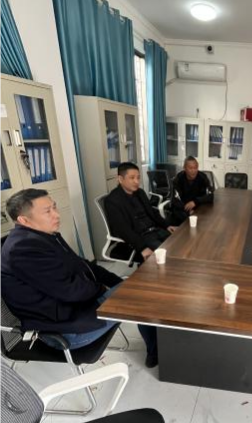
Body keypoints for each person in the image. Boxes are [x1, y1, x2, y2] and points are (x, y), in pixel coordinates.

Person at [0, 189, 159, 368]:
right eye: (47, 211)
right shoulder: (23, 248)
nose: (56, 214)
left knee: (140, 288)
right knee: (144, 295)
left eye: (54, 207)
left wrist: (118, 284)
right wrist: (103, 289)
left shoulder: (45, 236)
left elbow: (85, 266)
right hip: (65, 331)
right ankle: (158, 352)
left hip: (77, 311)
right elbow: (69, 290)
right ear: (24, 220)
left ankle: (157, 348)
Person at [104, 162, 176, 262]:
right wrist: (142, 248)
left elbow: (152, 212)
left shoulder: (140, 193)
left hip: (155, 230)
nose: (136, 181)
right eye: (132, 178)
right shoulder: (113, 201)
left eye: (138, 177)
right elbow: (122, 229)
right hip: (141, 237)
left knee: (179, 244)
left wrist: (166, 225)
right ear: (120, 179)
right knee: (170, 257)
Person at [170, 156, 214, 224]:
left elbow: (210, 196)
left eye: (195, 168)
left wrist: (195, 202)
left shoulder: (203, 177)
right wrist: (188, 210)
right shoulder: (178, 179)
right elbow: (175, 200)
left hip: (198, 207)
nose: (193, 171)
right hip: (183, 209)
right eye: (190, 168)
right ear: (184, 168)